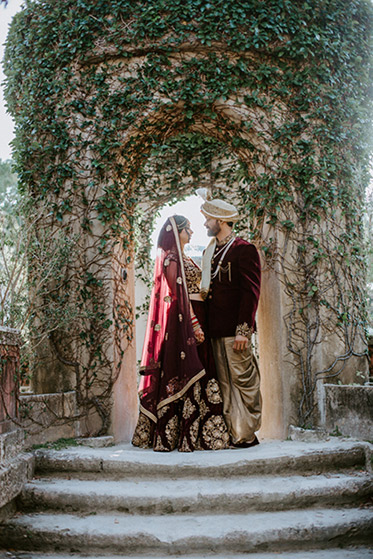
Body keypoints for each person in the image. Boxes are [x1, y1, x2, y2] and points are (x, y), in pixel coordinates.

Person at [132, 215, 230, 452]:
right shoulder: (171, 259)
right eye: (188, 229)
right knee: (189, 370)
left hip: (197, 318)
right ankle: (183, 435)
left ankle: (202, 434)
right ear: (178, 232)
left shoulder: (182, 257)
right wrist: (194, 323)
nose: (192, 233)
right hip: (185, 322)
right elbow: (177, 297)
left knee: (204, 368)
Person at [200, 197, 262, 448]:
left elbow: (251, 292)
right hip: (216, 330)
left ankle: (248, 433)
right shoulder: (210, 250)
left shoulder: (243, 249)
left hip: (236, 332)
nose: (205, 223)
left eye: (209, 219)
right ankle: (234, 433)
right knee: (224, 382)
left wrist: (243, 331)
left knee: (243, 380)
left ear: (222, 221)